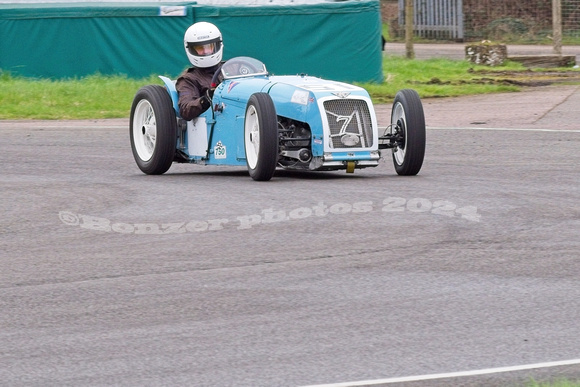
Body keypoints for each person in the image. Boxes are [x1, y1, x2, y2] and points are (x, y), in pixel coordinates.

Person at [176, 22, 224, 121]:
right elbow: (186, 109)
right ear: (191, 49)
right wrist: (206, 100)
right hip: (214, 122)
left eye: (209, 47)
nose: (206, 51)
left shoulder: (232, 67)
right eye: (200, 48)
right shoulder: (188, 79)